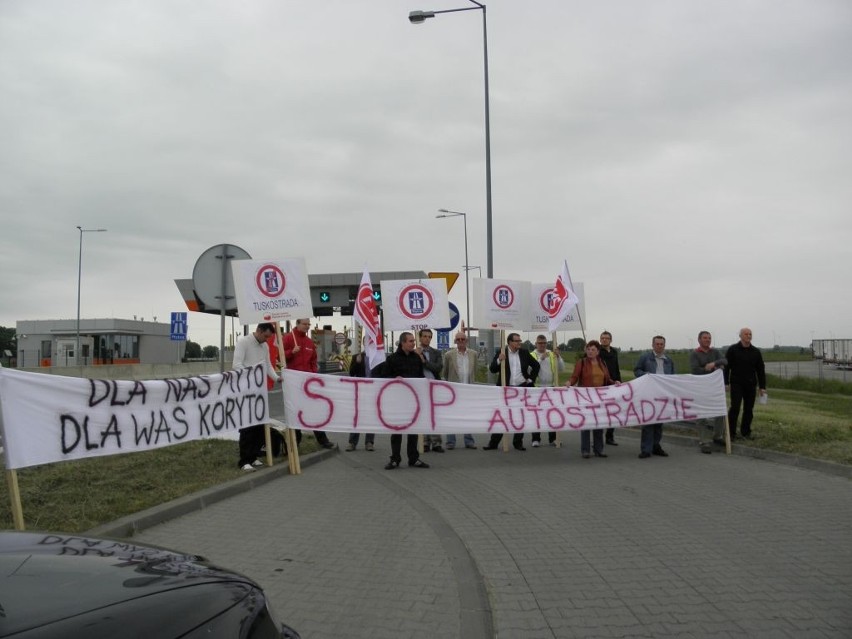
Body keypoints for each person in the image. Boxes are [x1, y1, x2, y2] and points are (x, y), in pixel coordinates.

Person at [233, 322, 281, 471]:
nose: (267, 340)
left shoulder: (264, 346)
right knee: (247, 426)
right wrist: (252, 374)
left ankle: (253, 456)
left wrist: (276, 378)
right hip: (245, 390)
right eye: (265, 336)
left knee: (259, 425)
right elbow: (236, 364)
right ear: (258, 331)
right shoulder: (243, 342)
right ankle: (244, 460)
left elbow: (267, 365)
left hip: (259, 390)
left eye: (269, 337)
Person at [282, 319, 335, 450]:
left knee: (313, 411)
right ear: (298, 324)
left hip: (307, 384)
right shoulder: (288, 338)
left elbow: (313, 360)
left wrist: (313, 375)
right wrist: (291, 352)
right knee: (295, 412)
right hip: (293, 384)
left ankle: (322, 440)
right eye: (305, 324)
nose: (307, 326)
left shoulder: (309, 342)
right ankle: (295, 441)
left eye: (308, 325)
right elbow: (279, 357)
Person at [484, 333, 540, 451]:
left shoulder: (524, 353)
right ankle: (493, 443)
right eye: (516, 341)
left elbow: (536, 365)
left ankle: (518, 442)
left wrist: (530, 379)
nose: (519, 342)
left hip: (521, 389)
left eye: (520, 340)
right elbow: (492, 369)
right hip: (505, 389)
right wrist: (499, 360)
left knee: (519, 416)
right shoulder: (502, 351)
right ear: (509, 342)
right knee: (502, 416)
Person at [382, 332, 429, 470]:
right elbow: (383, 377)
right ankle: (395, 458)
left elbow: (420, 376)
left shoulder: (416, 358)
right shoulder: (392, 359)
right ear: (402, 343)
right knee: (397, 431)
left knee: (413, 430)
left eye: (414, 340)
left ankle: (413, 458)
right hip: (397, 401)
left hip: (413, 401)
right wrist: (393, 379)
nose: (413, 343)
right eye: (410, 341)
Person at [566, 340, 616, 459]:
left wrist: (615, 383)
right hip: (586, 398)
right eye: (588, 349)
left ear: (598, 351)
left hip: (599, 399)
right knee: (587, 425)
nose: (590, 352)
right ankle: (585, 450)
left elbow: (607, 379)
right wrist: (569, 382)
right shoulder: (581, 362)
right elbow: (575, 376)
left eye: (593, 349)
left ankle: (599, 449)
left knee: (599, 424)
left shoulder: (602, 363)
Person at [633, 335, 675, 459]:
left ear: (664, 345)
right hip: (648, 395)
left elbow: (673, 376)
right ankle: (646, 449)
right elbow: (636, 370)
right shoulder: (645, 358)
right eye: (657, 344)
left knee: (659, 422)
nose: (659, 346)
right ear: (652, 345)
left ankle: (656, 446)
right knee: (648, 422)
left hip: (662, 395)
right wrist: (646, 375)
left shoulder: (669, 360)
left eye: (661, 344)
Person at [724, 327, 767, 441]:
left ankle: (745, 431)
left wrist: (762, 386)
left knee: (749, 409)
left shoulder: (756, 352)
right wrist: (726, 382)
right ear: (741, 336)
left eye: (750, 334)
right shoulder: (733, 350)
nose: (749, 336)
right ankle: (731, 433)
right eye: (746, 334)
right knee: (735, 408)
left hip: (751, 384)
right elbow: (726, 367)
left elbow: (760, 370)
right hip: (737, 383)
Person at [689, 331, 728, 453]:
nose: (708, 340)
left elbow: (725, 361)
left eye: (709, 338)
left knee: (720, 412)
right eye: (705, 338)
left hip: (715, 388)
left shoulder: (715, 352)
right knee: (702, 415)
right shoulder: (695, 354)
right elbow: (696, 370)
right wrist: (711, 369)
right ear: (699, 340)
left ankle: (718, 436)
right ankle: (704, 441)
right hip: (701, 388)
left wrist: (713, 364)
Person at [441, 331, 477, 449]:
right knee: (451, 416)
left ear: (466, 341)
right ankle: (450, 442)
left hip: (468, 390)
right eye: (458, 339)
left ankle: (469, 441)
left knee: (468, 416)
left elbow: (474, 371)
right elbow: (445, 373)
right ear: (455, 341)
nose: (461, 341)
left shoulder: (473, 354)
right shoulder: (449, 355)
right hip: (454, 391)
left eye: (463, 339)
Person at [530, 334, 565, 447]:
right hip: (537, 388)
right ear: (536, 344)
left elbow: (561, 369)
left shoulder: (551, 354)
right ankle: (536, 439)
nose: (542, 345)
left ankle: (553, 438)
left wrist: (558, 357)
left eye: (544, 343)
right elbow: (530, 369)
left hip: (551, 387)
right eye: (540, 343)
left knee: (553, 414)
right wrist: (541, 359)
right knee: (537, 415)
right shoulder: (532, 355)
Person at [417, 328, 444, 453]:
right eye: (425, 336)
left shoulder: (436, 353)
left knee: (435, 415)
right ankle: (425, 442)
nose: (427, 338)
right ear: (420, 337)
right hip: (420, 387)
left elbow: (438, 368)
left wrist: (425, 362)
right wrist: (417, 357)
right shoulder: (415, 352)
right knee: (423, 415)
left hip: (434, 386)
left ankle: (436, 442)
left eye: (429, 337)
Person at [345, 347, 375, 452]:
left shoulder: (378, 357)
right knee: (356, 416)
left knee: (371, 416)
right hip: (360, 391)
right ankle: (352, 442)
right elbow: (351, 373)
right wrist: (357, 363)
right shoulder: (357, 357)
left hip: (373, 390)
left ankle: (369, 442)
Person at [598, 331, 623, 446]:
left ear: (610, 340)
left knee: (613, 412)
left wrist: (620, 381)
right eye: (602, 338)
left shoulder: (614, 352)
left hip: (614, 384)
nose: (604, 340)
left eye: (606, 338)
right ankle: (597, 438)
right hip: (601, 385)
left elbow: (616, 367)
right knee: (601, 412)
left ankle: (610, 436)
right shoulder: (597, 351)